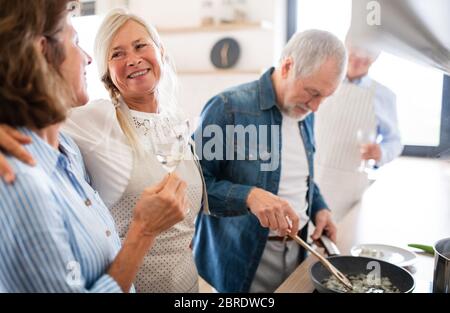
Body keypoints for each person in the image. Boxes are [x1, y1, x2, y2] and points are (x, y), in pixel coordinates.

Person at [0, 8, 209, 293]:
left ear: (161, 51)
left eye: (140, 46)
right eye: (117, 54)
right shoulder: (95, 119)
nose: (133, 59)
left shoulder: (173, 121)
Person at [192, 30, 347, 293]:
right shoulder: (227, 108)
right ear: (287, 66)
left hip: (299, 248)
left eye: (324, 97)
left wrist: (320, 207)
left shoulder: (304, 112)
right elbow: (192, 189)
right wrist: (249, 196)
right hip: (241, 259)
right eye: (312, 93)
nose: (316, 106)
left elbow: (300, 175)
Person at [314, 42, 403, 222]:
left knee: (340, 241)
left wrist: (381, 152)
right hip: (312, 176)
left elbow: (394, 141)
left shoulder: (383, 95)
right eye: (353, 54)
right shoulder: (321, 82)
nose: (357, 61)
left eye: (365, 58)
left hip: (350, 187)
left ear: (375, 57)